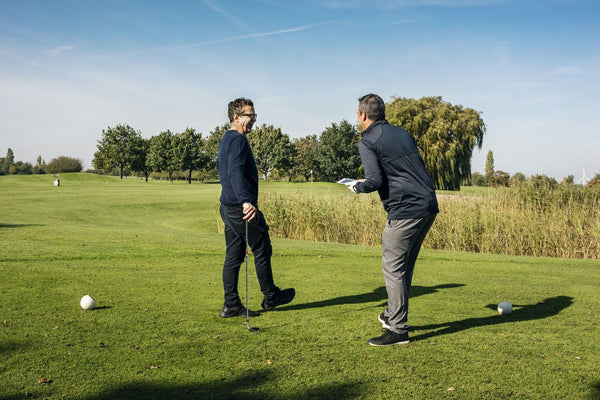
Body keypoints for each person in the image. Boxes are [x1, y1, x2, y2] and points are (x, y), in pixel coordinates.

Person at [344, 93, 439, 346]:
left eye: (357, 113)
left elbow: (374, 181)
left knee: (393, 268)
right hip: (427, 205)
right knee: (404, 267)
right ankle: (392, 314)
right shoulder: (403, 133)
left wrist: (358, 187)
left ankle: (397, 330)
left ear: (363, 115)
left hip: (405, 210)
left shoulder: (367, 141)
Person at [217, 97, 295, 318]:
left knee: (233, 256)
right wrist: (246, 201)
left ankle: (231, 304)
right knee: (262, 248)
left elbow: (222, 169)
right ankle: (271, 297)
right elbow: (233, 173)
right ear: (236, 117)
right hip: (240, 208)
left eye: (254, 116)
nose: (254, 120)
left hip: (228, 206)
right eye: (250, 116)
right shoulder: (238, 140)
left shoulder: (226, 139)